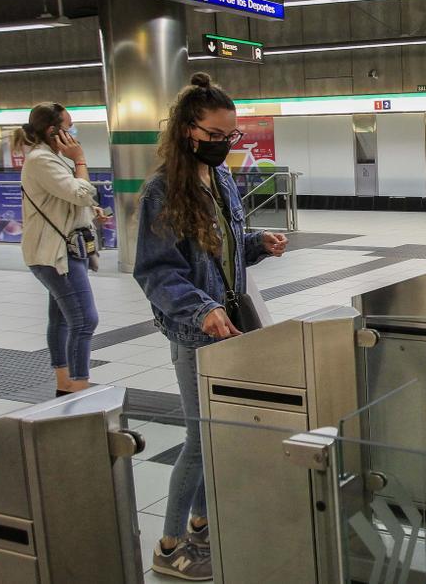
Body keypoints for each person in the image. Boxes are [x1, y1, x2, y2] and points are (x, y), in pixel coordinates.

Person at [133, 73, 288, 581]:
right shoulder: (163, 190)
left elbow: (219, 255)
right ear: (186, 131)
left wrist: (257, 245)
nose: (224, 145)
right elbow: (157, 271)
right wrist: (201, 309)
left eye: (231, 137)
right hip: (195, 331)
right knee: (200, 438)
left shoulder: (220, 181)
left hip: (229, 324)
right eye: (215, 136)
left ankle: (201, 521)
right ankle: (169, 543)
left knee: (215, 432)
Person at [15, 102, 107, 396]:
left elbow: (63, 203)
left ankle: (64, 382)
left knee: (61, 318)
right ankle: (78, 386)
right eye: (70, 128)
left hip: (62, 250)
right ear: (54, 131)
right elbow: (79, 192)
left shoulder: (50, 159)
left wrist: (92, 212)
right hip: (56, 254)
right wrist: (80, 160)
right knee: (84, 319)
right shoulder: (42, 160)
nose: (74, 134)